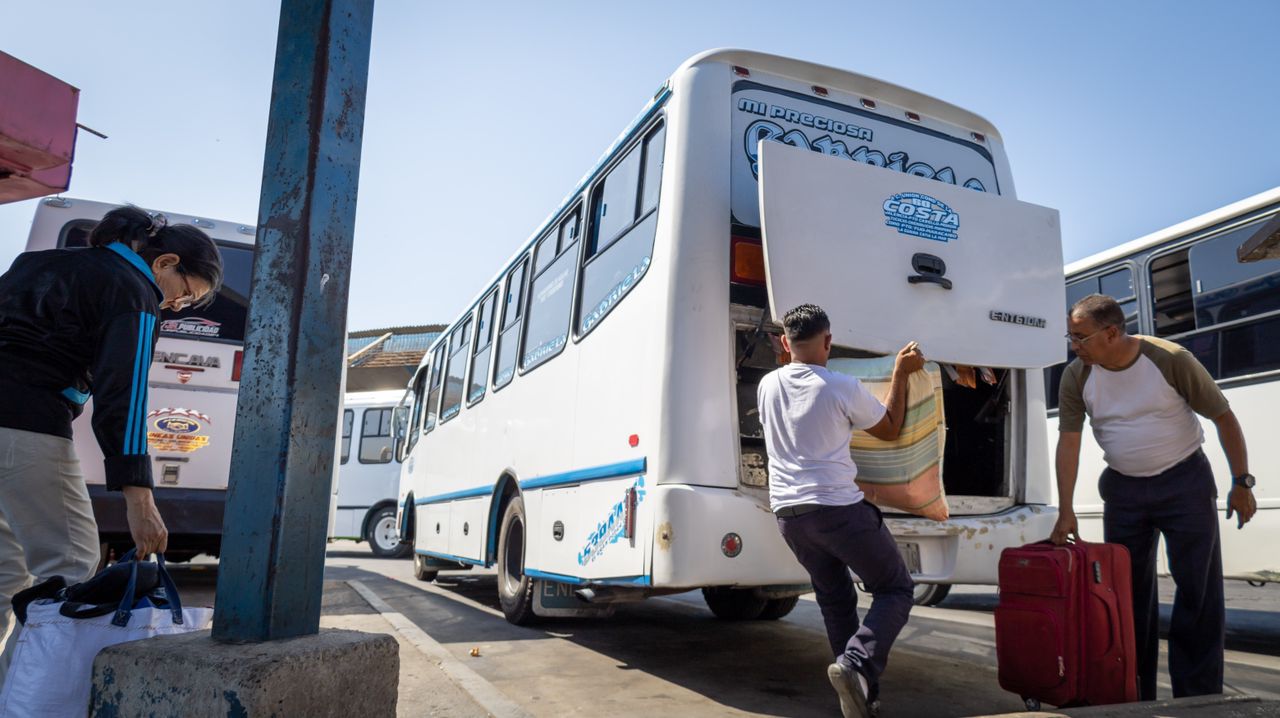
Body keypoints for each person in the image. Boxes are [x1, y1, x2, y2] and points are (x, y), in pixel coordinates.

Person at [0, 206, 223, 687]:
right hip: (26, 424)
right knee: (70, 566)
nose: (176, 306)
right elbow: (123, 396)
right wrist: (139, 498)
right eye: (185, 294)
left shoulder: (36, 263)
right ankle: (20, 697)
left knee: (4, 571)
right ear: (164, 264)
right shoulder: (134, 290)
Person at [1050, 294, 1256, 700]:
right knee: (1125, 597)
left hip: (1185, 482)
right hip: (1124, 490)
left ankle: (1198, 697)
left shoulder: (1169, 358)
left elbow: (1223, 416)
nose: (1074, 345)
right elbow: (1068, 442)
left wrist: (1241, 482)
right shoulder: (1077, 375)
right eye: (1071, 337)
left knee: (1198, 591)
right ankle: (1133, 692)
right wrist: (1066, 511)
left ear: (1111, 332)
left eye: (1079, 337)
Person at [757, 303, 925, 718]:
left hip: (789, 516)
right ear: (828, 341)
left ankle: (861, 694)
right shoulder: (839, 386)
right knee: (895, 588)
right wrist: (900, 373)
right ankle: (856, 665)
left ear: (784, 342)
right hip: (836, 510)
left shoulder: (767, 385)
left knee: (834, 599)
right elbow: (888, 429)